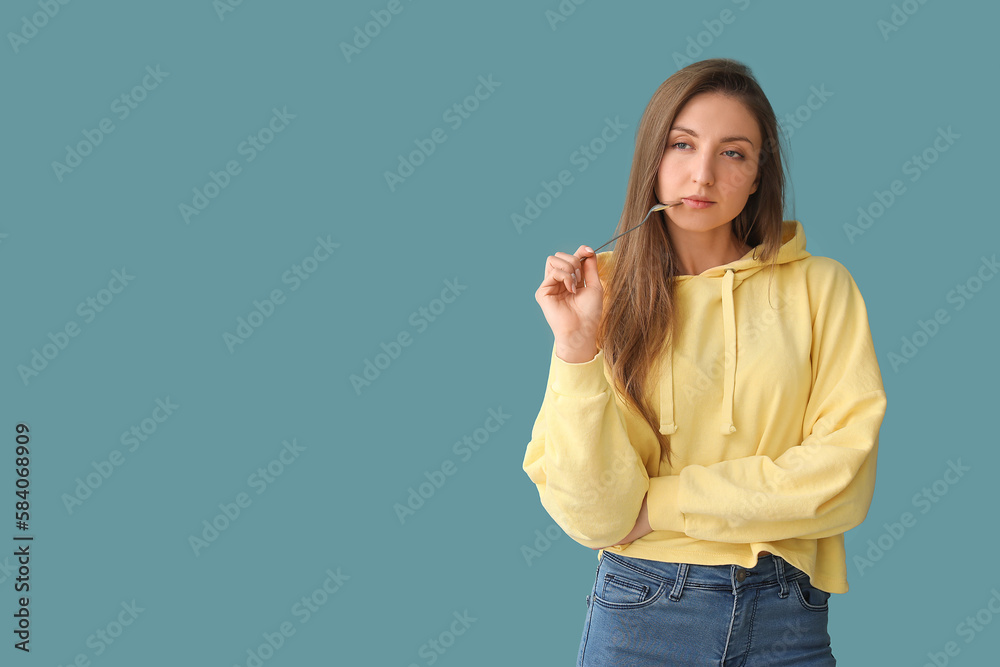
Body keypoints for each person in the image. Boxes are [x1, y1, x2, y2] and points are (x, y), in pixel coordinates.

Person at [522, 58, 887, 666]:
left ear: (757, 173)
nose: (702, 173)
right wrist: (576, 347)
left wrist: (658, 506)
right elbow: (593, 515)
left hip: (787, 614)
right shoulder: (603, 295)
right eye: (681, 144)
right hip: (643, 611)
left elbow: (841, 480)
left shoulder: (823, 288)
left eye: (733, 153)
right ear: (651, 160)